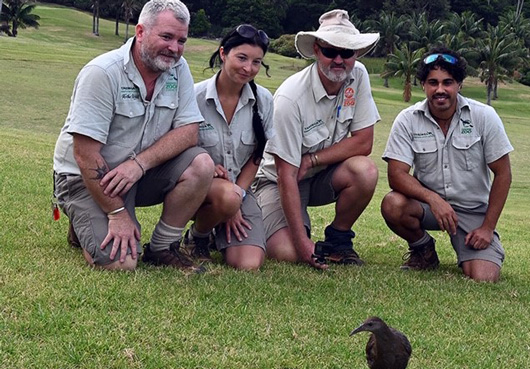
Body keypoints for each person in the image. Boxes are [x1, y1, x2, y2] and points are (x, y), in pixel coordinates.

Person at [52, 0, 214, 273]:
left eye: (181, 40)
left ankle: (163, 247)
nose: (174, 48)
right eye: (166, 37)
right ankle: (85, 215)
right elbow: (84, 154)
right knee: (120, 262)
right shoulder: (102, 73)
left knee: (201, 164)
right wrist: (117, 214)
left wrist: (139, 164)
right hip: (86, 175)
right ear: (140, 32)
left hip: (136, 172)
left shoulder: (178, 67)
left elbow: (189, 131)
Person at [253, 9, 380, 270]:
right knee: (287, 252)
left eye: (347, 53)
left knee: (365, 171)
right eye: (330, 51)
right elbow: (286, 175)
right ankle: (224, 229)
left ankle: (338, 240)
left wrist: (312, 160)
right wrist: (302, 245)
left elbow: (364, 142)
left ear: (355, 55)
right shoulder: (290, 99)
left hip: (319, 173)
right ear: (316, 50)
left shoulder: (359, 76)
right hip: (277, 180)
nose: (338, 60)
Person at [380, 47, 513, 282]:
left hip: (473, 213)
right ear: (423, 85)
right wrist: (434, 199)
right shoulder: (407, 120)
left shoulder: (484, 116)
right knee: (393, 204)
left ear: (459, 84)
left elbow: (503, 174)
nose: (440, 90)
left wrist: (487, 228)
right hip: (428, 207)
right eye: (433, 82)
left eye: (447, 82)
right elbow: (396, 175)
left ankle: (473, 248)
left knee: (484, 278)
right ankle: (424, 250)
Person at [187, 24, 273, 270]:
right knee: (227, 197)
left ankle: (218, 233)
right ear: (223, 54)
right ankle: (198, 237)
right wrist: (205, 165)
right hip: (198, 187)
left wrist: (238, 196)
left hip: (238, 189)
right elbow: (181, 148)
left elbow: (256, 158)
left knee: (248, 264)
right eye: (242, 58)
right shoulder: (195, 97)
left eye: (257, 62)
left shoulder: (264, 101)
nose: (248, 68)